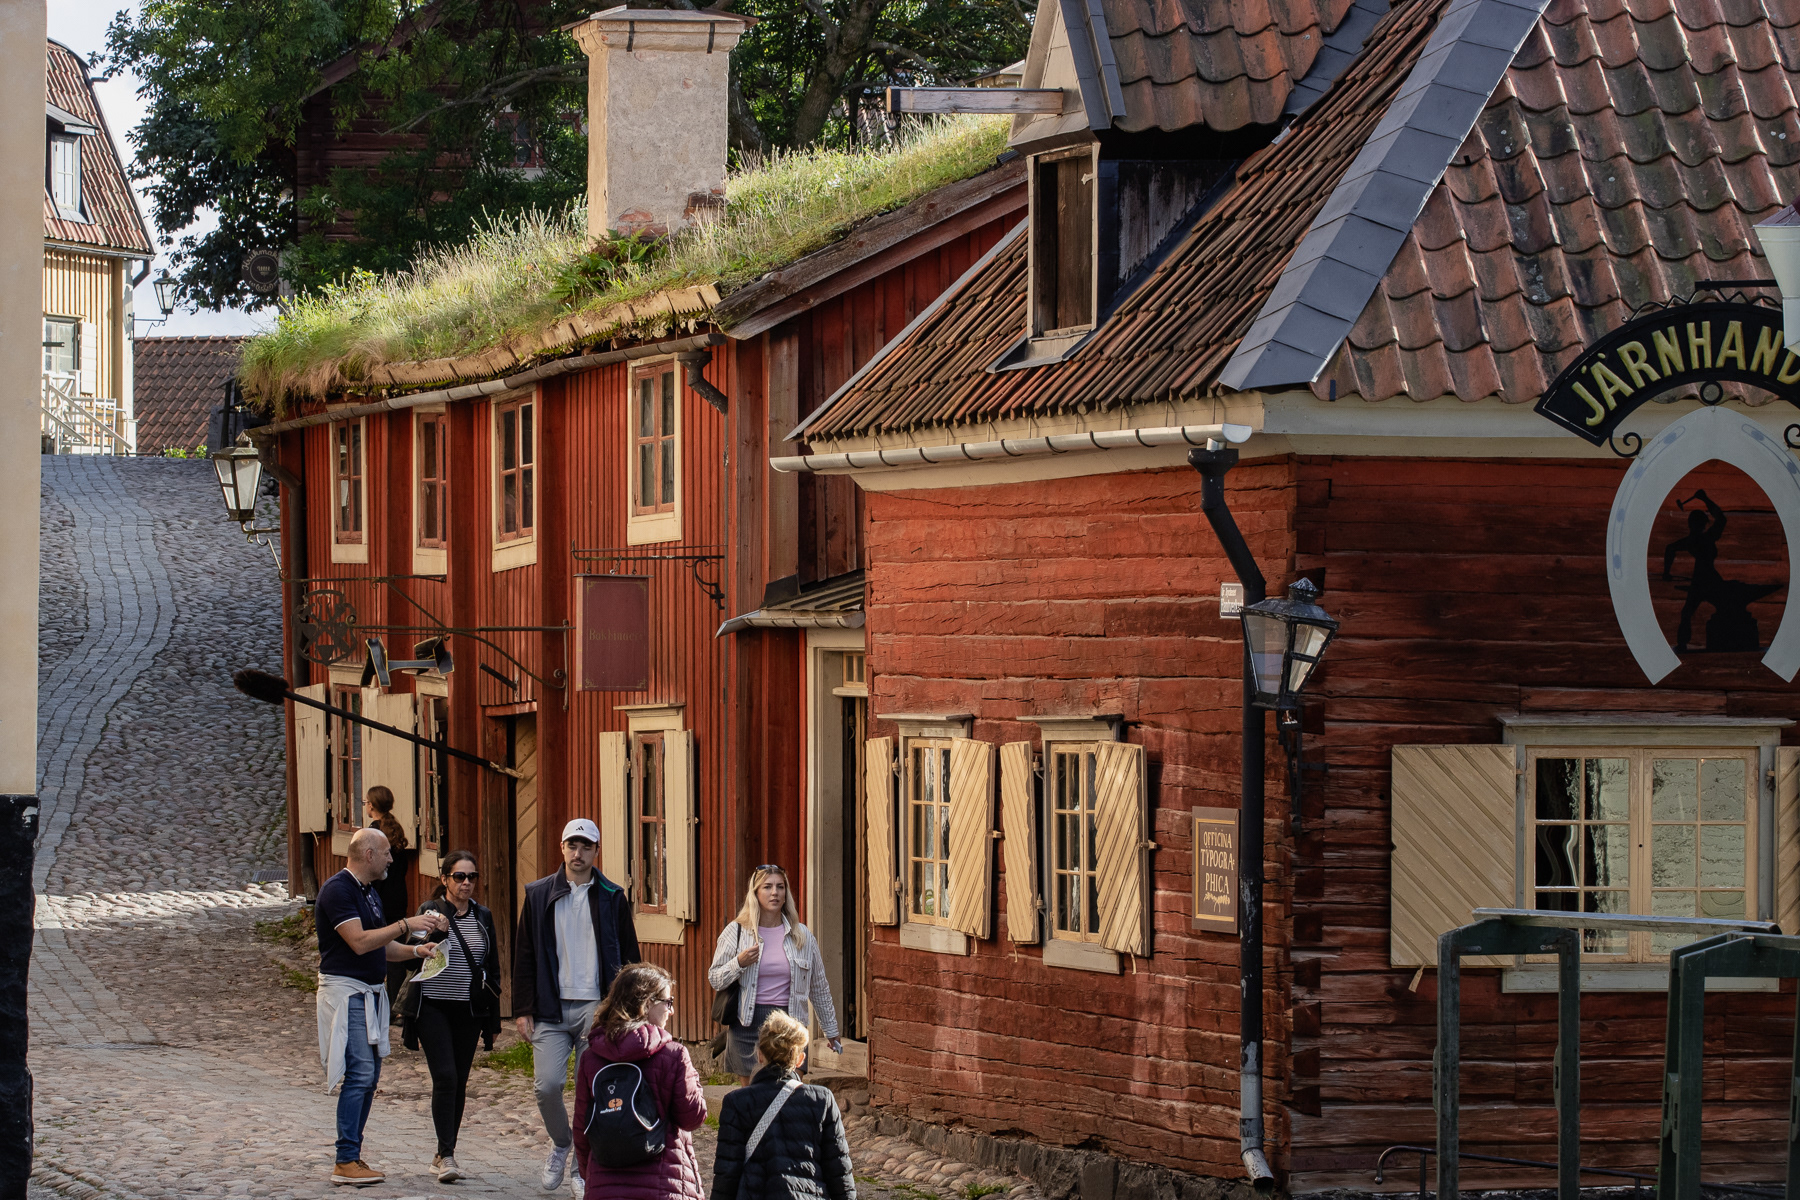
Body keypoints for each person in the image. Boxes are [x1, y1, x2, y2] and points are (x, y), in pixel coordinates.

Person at [314, 826, 448, 1186]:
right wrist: (406, 924)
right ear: (369, 854)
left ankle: (352, 1155)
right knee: (359, 1073)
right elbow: (358, 942)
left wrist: (416, 950)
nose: (392, 857)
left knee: (369, 1076)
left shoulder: (368, 892)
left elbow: (381, 946)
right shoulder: (338, 889)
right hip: (348, 992)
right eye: (387, 852)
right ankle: (345, 1159)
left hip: (368, 992)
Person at [514, 818, 642, 1192]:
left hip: (596, 1007)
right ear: (561, 848)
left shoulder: (612, 895)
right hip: (549, 1006)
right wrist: (524, 1008)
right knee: (548, 1085)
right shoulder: (538, 894)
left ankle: (580, 1167)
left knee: (592, 1088)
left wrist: (629, 1009)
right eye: (572, 845)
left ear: (596, 851)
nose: (578, 853)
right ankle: (561, 1143)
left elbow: (630, 957)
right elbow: (525, 954)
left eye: (586, 847)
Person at [398, 850, 501, 1184]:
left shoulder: (483, 916)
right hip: (432, 1006)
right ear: (444, 879)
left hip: (468, 1009)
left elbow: (492, 971)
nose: (467, 883)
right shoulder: (428, 912)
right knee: (445, 1077)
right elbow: (411, 961)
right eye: (459, 877)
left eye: (472, 877)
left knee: (459, 1079)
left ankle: (444, 1151)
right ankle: (448, 1155)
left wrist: (493, 1021)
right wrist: (436, 933)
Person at [571, 963, 707, 1199]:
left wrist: (591, 1176)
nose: (671, 1010)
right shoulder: (673, 1055)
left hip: (605, 1187)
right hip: (664, 1186)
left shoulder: (590, 1058)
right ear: (646, 1005)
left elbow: (582, 1130)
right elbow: (692, 1116)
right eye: (668, 1002)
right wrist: (693, 1078)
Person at [707, 865, 843, 1085]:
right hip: (748, 1024)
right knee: (752, 1099)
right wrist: (739, 963)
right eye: (767, 887)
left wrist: (831, 1030)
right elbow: (715, 978)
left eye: (780, 887)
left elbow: (818, 986)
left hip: (790, 1024)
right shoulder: (736, 931)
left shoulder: (802, 935)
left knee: (790, 1093)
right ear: (755, 893)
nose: (775, 893)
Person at [710, 1010, 855, 1200]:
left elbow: (726, 1173)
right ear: (800, 1060)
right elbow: (839, 1172)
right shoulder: (822, 1100)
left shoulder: (736, 1103)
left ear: (760, 1055)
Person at [365, 785, 415, 1016]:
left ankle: (386, 1005)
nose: (365, 805)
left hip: (381, 900)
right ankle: (396, 1005)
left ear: (372, 806)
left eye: (366, 802)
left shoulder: (374, 835)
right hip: (398, 899)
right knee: (394, 953)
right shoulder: (396, 830)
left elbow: (372, 873)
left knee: (382, 950)